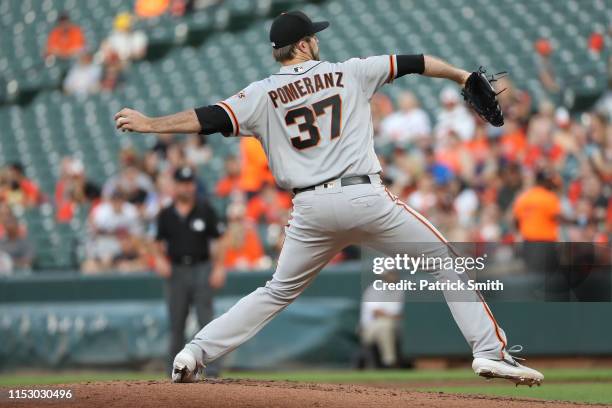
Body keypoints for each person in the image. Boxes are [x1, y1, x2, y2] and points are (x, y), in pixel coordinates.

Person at [114, 10, 543, 386]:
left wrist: (151, 124)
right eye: (313, 36)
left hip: (310, 210)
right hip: (363, 196)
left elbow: (206, 118)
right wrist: (462, 76)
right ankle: (489, 351)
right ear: (303, 45)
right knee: (444, 259)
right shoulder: (350, 70)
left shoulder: (260, 94)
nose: (318, 40)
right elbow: (416, 61)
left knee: (276, 291)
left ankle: (194, 353)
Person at [153, 166, 226, 377]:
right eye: (183, 183)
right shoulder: (166, 214)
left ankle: (212, 373)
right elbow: (156, 241)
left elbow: (220, 239)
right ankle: (174, 372)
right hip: (176, 271)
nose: (187, 187)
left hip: (202, 268)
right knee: (176, 323)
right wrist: (159, 259)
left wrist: (219, 267)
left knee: (207, 322)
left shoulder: (205, 209)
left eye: (190, 183)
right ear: (175, 186)